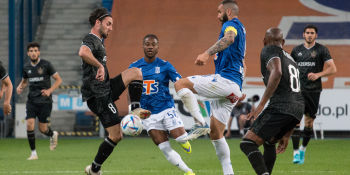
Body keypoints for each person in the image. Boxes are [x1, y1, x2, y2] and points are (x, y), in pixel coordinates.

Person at [174, 1, 246, 174]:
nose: (217, 16)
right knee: (216, 134)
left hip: (225, 81)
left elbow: (229, 38)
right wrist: (240, 88)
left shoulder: (232, 25)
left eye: (219, 12)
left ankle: (199, 123)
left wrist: (207, 53)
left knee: (180, 84)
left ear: (228, 11)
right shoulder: (242, 29)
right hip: (233, 86)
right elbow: (243, 61)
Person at [79, 8, 151, 175]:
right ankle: (94, 169)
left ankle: (135, 110)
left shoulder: (99, 41)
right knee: (116, 135)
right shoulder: (91, 39)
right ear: (98, 22)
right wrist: (98, 66)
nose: (111, 28)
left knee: (136, 72)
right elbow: (82, 52)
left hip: (106, 88)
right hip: (98, 96)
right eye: (108, 24)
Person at [239, 27, 304, 175]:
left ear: (264, 41)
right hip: (297, 108)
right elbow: (297, 93)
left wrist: (261, 104)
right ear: (283, 42)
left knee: (248, 143)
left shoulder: (269, 49)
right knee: (269, 143)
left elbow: (277, 72)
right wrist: (287, 133)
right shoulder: (292, 60)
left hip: (280, 106)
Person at [129, 34, 195, 175]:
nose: (150, 47)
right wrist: (133, 107)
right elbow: (129, 87)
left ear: (158, 47)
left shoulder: (165, 66)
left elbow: (179, 82)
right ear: (143, 46)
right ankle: (188, 171)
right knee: (164, 147)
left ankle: (184, 140)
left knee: (180, 138)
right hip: (147, 115)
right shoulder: (134, 67)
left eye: (153, 44)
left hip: (165, 108)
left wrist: (187, 92)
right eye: (147, 44)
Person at [290, 24, 337, 164]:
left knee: (309, 122)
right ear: (303, 35)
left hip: (314, 91)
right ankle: (295, 152)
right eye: (307, 33)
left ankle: (303, 150)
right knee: (295, 121)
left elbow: (333, 69)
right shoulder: (296, 50)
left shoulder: (321, 50)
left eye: (312, 33)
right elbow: (290, 68)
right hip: (297, 90)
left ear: (316, 35)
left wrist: (318, 75)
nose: (309, 35)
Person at [16, 42, 62, 160]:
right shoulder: (26, 67)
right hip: (32, 101)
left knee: (42, 129)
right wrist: (20, 86)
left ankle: (52, 134)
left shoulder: (46, 64)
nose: (33, 53)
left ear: (39, 52)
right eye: (31, 51)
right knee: (30, 124)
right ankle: (33, 153)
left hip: (45, 102)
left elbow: (58, 80)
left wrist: (49, 90)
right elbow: (25, 81)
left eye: (35, 50)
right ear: (28, 53)